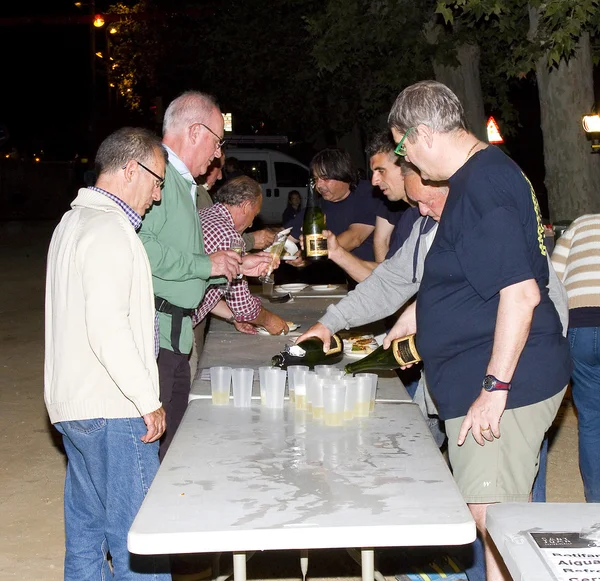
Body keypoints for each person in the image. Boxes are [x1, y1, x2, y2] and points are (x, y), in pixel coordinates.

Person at [387, 80, 570, 581]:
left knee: (496, 527)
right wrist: (419, 314)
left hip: (505, 384)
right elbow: (474, 277)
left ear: (423, 134)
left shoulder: (483, 183)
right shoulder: (478, 179)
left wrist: (494, 387)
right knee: (494, 522)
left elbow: (522, 293)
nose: (407, 162)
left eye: (402, 147)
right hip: (488, 379)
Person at [45, 127, 170, 580]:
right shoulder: (109, 230)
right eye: (157, 182)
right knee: (140, 541)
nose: (156, 197)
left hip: (74, 406)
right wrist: (146, 399)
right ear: (131, 170)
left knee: (85, 535)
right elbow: (108, 326)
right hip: (113, 407)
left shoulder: (71, 222)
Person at [138, 91, 271, 459]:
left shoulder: (186, 187)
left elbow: (189, 261)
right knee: (153, 457)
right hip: (157, 337)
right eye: (216, 142)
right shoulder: (156, 176)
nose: (217, 154)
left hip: (177, 339)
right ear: (195, 132)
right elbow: (138, 250)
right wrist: (207, 266)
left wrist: (235, 266)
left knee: (172, 449)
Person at [193, 175, 288, 338]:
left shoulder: (203, 215)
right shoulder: (231, 237)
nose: (251, 224)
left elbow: (207, 289)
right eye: (254, 214)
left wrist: (233, 317)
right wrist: (269, 320)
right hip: (177, 325)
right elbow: (243, 306)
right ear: (245, 206)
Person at [552, 215, 600, 503]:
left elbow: (553, 278)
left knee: (592, 419)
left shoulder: (580, 224)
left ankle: (596, 503)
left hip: (580, 325)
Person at [290, 148, 382, 263]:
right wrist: (270, 244)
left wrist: (312, 254)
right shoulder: (319, 205)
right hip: (344, 276)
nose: (319, 185)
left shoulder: (369, 193)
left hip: (375, 275)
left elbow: (355, 237)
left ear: (342, 174)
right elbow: (288, 235)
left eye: (325, 178)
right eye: (316, 179)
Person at [368, 130, 420, 262]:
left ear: (404, 166)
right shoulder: (408, 219)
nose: (374, 181)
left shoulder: (440, 211)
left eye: (381, 171)